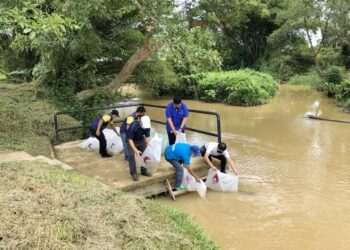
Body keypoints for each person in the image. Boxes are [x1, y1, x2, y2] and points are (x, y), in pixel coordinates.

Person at [126, 115, 153, 181]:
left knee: (145, 154)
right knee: (131, 156)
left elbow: (147, 136)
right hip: (131, 140)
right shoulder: (133, 126)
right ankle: (133, 173)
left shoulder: (147, 126)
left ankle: (144, 171)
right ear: (140, 122)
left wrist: (148, 142)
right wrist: (135, 150)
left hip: (140, 139)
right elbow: (130, 140)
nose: (145, 128)